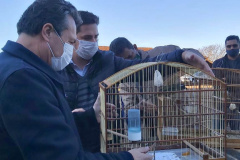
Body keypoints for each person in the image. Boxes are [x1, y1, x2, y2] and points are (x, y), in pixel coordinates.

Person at [0, 1, 152, 160]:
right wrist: (128, 157)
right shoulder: (23, 79)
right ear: (48, 32)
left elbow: (44, 130)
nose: (73, 48)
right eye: (71, 41)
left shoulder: (11, 66)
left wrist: (90, 116)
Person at [60, 11, 214, 153]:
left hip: (107, 141)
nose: (93, 42)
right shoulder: (56, 65)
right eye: (87, 38)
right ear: (71, 39)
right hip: (69, 140)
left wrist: (181, 56)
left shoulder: (107, 61)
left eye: (96, 37)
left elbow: (143, 68)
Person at [109, 37, 180, 60]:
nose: (129, 62)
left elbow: (186, 52)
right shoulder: (124, 79)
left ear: (135, 48)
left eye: (130, 56)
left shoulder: (159, 52)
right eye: (124, 61)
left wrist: (185, 55)